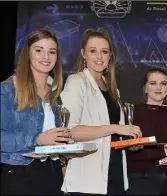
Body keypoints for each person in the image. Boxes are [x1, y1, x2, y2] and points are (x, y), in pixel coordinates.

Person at [60, 28, 142, 195]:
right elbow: (70, 132)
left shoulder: (112, 89)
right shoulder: (76, 82)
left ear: (110, 55)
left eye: (104, 51)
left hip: (115, 173)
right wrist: (117, 128)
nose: (99, 57)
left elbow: (113, 138)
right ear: (83, 53)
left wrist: (130, 142)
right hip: (87, 180)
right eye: (93, 51)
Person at [1, 29, 72, 194]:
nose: (46, 57)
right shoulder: (7, 90)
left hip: (52, 172)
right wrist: (37, 139)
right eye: (39, 50)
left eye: (51, 52)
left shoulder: (55, 95)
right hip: (20, 173)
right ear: (27, 54)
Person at [125, 68, 167, 195]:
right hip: (141, 178)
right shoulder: (133, 112)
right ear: (145, 88)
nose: (159, 87)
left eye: (163, 83)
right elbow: (127, 150)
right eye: (153, 83)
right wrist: (160, 152)